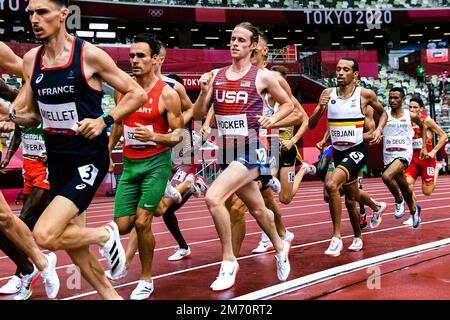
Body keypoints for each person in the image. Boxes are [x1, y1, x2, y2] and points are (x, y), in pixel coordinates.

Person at [0, 0, 149, 300]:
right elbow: (33, 115)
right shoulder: (32, 59)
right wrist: (10, 116)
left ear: (63, 14)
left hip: (87, 157)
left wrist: (104, 119)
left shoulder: (89, 55)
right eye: (30, 13)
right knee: (76, 250)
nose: (35, 19)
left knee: (45, 234)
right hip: (56, 158)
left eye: (42, 12)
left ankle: (105, 235)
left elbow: (136, 93)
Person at [194, 22, 293, 291]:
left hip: (251, 148)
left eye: (241, 40)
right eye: (232, 39)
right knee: (258, 208)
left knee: (214, 197)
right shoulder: (216, 75)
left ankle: (228, 262)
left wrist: (272, 118)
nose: (234, 43)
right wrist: (204, 92)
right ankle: (280, 246)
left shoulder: (263, 77)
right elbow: (198, 114)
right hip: (227, 150)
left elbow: (289, 105)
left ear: (252, 46)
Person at [108, 33, 184, 300]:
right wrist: (107, 153)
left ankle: (146, 279)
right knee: (123, 225)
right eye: (131, 56)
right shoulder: (123, 88)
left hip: (156, 164)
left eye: (141, 55)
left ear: (155, 59)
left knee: (142, 223)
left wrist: (154, 137)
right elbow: (117, 123)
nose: (135, 60)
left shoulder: (167, 93)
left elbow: (179, 135)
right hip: (129, 165)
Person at [309, 57, 388, 256]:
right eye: (338, 69)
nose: (340, 73)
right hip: (338, 152)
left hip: (357, 150)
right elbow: (311, 125)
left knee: (331, 185)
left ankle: (336, 237)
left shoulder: (365, 95)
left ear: (355, 75)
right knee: (351, 197)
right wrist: (319, 108)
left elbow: (384, 113)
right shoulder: (327, 94)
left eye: (345, 69)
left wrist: (379, 129)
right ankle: (365, 224)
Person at [0, 41, 59, 300]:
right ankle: (31, 267)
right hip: (29, 164)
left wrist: (15, 105)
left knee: (16, 217)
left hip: (48, 164)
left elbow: (28, 73)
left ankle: (34, 267)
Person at [381, 88, 425, 229]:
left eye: (396, 98)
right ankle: (414, 211)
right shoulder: (384, 115)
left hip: (404, 153)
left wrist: (424, 146)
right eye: (390, 98)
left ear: (403, 100)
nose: (392, 100)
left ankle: (398, 200)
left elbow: (423, 127)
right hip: (388, 154)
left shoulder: (410, 115)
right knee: (405, 187)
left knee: (387, 177)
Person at [404, 96, 447, 225]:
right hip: (412, 158)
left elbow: (443, 135)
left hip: (427, 160)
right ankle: (414, 213)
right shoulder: (405, 119)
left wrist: (433, 151)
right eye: (410, 107)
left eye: (415, 107)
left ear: (421, 109)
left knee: (427, 192)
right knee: (406, 186)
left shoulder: (427, 120)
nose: (412, 109)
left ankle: (437, 169)